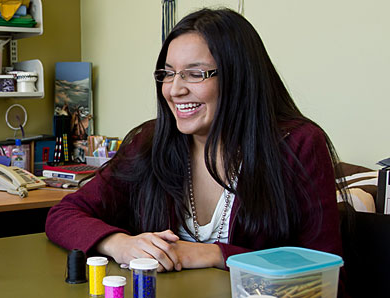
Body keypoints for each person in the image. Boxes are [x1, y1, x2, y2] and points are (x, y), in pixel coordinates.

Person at [46, 8, 346, 273]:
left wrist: (216, 254)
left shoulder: (299, 144)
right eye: (168, 74)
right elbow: (63, 215)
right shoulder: (150, 141)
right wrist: (118, 244)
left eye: (195, 74)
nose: (174, 90)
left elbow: (323, 267)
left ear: (239, 77)